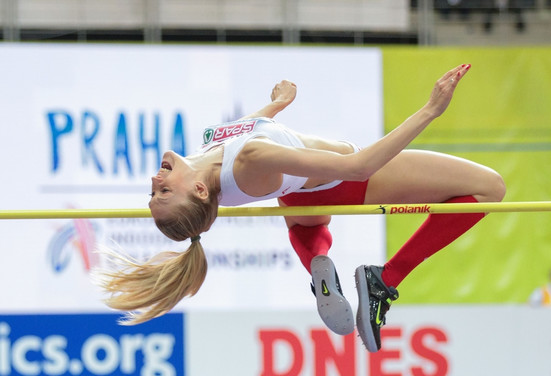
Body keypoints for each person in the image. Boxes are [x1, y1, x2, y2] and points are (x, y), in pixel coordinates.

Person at [96, 64, 506, 353]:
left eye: (154, 192)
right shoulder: (249, 161)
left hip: (298, 197)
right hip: (347, 181)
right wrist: (431, 109)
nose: (155, 182)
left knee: (305, 221)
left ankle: (317, 263)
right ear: (201, 191)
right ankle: (385, 279)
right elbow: (358, 166)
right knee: (491, 189)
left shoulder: (206, 158)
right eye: (163, 193)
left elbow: (240, 134)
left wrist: (274, 106)